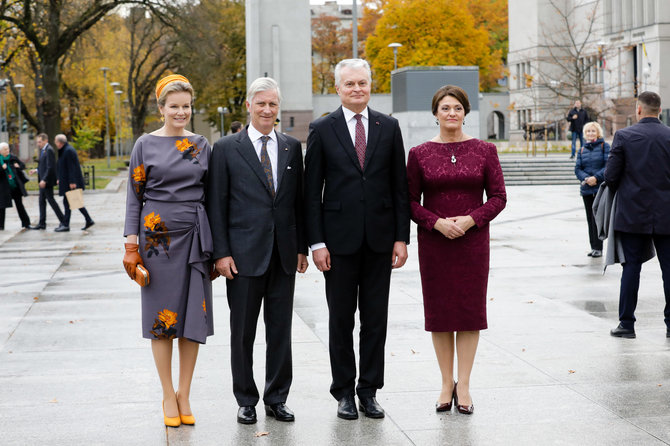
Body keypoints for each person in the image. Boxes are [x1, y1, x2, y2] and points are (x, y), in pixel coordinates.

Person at [304, 58, 410, 420]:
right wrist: (316, 243)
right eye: (349, 84)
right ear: (337, 89)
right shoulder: (321, 128)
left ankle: (369, 391)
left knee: (375, 319)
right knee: (340, 320)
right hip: (337, 244)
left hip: (381, 241)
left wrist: (401, 237)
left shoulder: (389, 126)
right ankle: (344, 393)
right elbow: (310, 192)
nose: (357, 89)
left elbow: (400, 186)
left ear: (370, 86)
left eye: (362, 83)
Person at [207, 77, 308, 425]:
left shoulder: (292, 147)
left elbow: (298, 203)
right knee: (243, 332)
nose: (267, 110)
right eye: (261, 103)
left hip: (283, 254)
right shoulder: (225, 148)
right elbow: (216, 205)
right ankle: (246, 399)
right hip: (242, 256)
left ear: (278, 108)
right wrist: (220, 253)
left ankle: (277, 398)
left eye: (273, 104)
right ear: (249, 106)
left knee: (280, 331)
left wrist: (301, 248)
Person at [406, 85, 506, 415]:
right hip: (435, 244)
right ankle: (445, 382)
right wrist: (434, 223)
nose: (452, 113)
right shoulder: (419, 154)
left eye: (458, 108)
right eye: (445, 108)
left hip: (472, 243)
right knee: (439, 316)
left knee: (468, 313)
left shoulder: (485, 150)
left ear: (466, 113)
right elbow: (408, 201)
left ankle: (464, 385)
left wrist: (470, 221)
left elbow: (498, 197)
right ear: (435, 114)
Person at [123, 74, 214, 427]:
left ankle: (185, 394)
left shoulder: (202, 144)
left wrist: (215, 247)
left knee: (193, 319)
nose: (181, 112)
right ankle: (166, 394)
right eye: (174, 106)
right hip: (156, 242)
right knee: (162, 321)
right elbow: (134, 196)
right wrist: (131, 247)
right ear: (161, 108)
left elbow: (213, 194)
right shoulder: (144, 145)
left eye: (186, 106)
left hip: (194, 237)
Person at [604, 91, 670, 339]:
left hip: (633, 214)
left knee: (631, 268)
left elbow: (610, 177)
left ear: (639, 110)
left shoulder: (624, 136)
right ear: (659, 110)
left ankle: (627, 324)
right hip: (667, 213)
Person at [574, 122, 610, 258]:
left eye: (593, 131)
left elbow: (608, 165)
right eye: (588, 131)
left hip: (600, 188)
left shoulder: (604, 146)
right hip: (586, 188)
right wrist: (587, 178)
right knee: (590, 219)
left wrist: (596, 177)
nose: (590, 133)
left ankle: (599, 247)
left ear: (598, 132)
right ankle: (593, 247)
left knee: (598, 219)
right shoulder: (582, 149)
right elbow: (577, 169)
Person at [54, 134, 95, 231]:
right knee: (70, 203)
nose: (55, 144)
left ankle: (67, 224)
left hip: (71, 183)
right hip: (67, 181)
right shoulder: (65, 150)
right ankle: (84, 220)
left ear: (60, 142)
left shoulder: (68, 151)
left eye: (55, 142)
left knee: (74, 202)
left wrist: (72, 181)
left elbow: (72, 167)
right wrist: (59, 178)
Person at [29, 133, 66, 230]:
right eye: (38, 142)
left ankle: (63, 221)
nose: (38, 144)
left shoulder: (49, 150)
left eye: (40, 142)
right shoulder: (43, 150)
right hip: (43, 181)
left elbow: (50, 167)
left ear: (46, 141)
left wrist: (44, 179)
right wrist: (36, 170)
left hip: (46, 181)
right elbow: (43, 165)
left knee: (51, 201)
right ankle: (42, 223)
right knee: (42, 201)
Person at [0, 142, 31, 229]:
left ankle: (26, 223)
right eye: (5, 149)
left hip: (15, 186)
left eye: (8, 149)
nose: (7, 150)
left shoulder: (13, 158)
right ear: (0, 151)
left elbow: (23, 165)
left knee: (19, 205)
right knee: (2, 207)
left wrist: (18, 166)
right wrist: (2, 168)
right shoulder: (0, 160)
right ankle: (1, 226)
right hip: (4, 188)